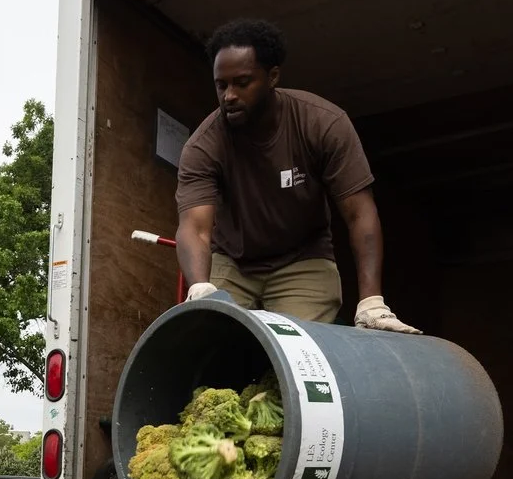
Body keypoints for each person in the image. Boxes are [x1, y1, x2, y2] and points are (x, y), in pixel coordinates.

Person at [173, 18, 418, 332]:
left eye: (242, 82)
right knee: (216, 338)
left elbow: (359, 213)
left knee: (295, 346)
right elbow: (195, 228)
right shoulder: (203, 145)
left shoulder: (322, 124)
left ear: (272, 76)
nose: (229, 95)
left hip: (303, 260)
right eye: (222, 85)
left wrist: (371, 301)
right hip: (234, 261)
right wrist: (200, 289)